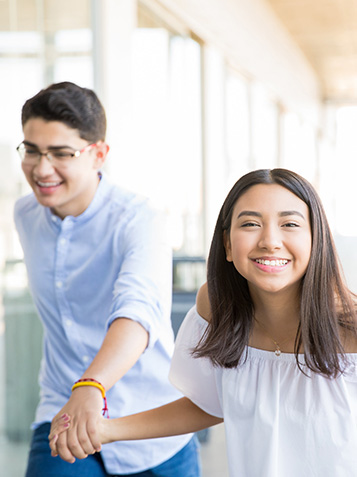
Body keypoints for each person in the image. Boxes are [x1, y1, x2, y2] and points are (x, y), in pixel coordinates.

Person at [50, 168, 357, 476]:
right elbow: (211, 403)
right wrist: (104, 431)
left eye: (290, 224)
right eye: (250, 224)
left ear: (316, 239)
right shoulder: (216, 306)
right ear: (226, 244)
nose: (270, 241)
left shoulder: (351, 325)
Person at [14, 81, 200, 477]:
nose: (41, 168)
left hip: (151, 421)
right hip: (64, 412)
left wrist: (92, 386)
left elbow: (138, 309)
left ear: (98, 154)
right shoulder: (25, 216)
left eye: (62, 153)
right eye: (32, 150)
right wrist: (79, 391)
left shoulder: (139, 219)